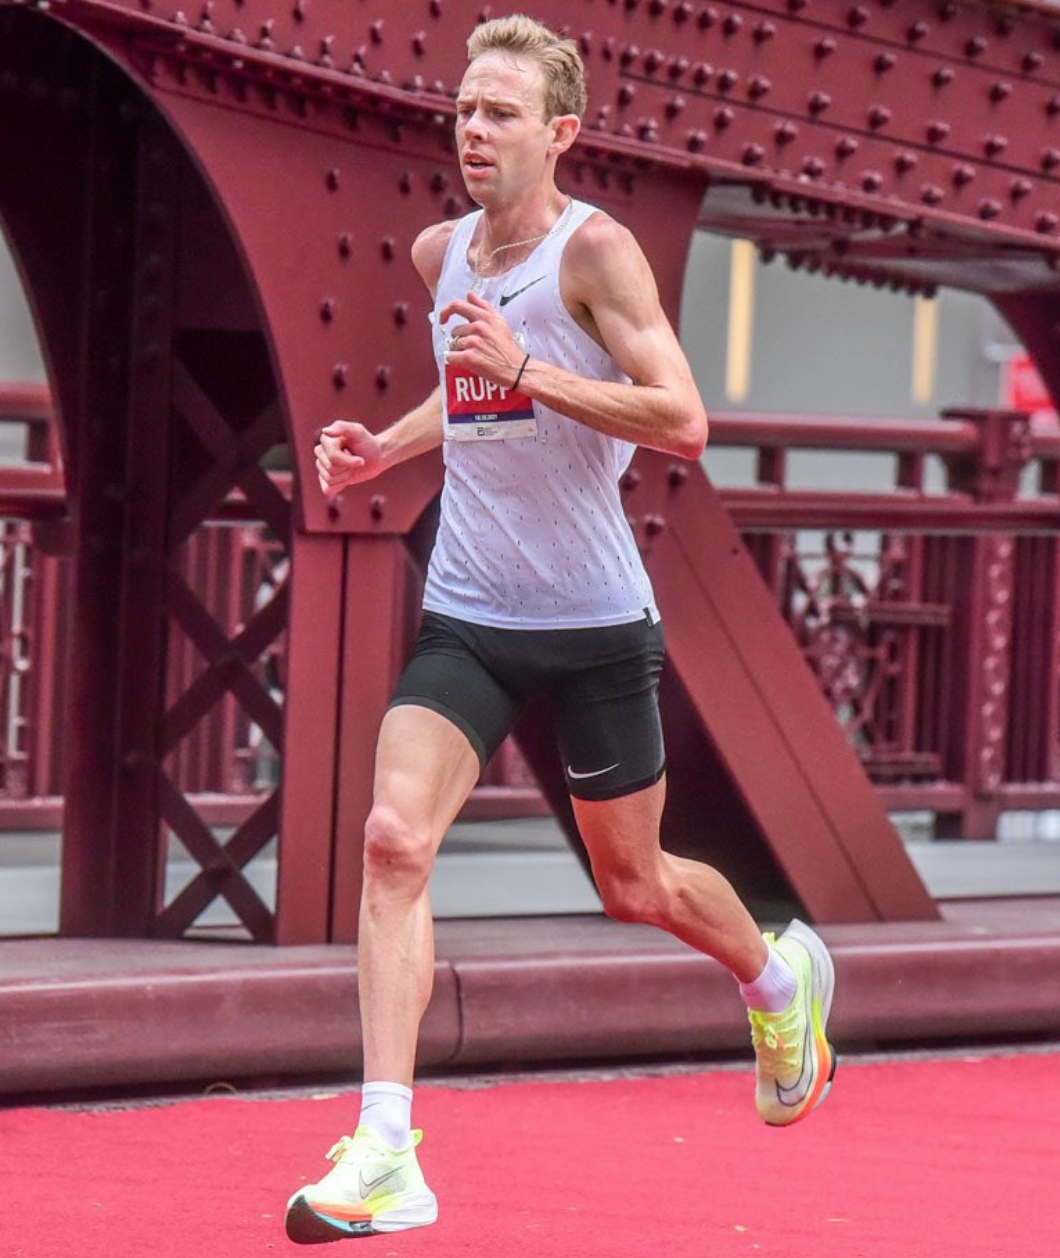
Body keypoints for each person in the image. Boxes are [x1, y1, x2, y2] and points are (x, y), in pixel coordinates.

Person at [284, 14, 836, 1244]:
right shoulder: (442, 253)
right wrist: (388, 446)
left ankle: (776, 976)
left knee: (635, 884)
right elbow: (467, 389)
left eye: (500, 114)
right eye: (464, 110)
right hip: (471, 611)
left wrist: (532, 369)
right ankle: (386, 1147)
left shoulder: (596, 253)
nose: (473, 132)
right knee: (391, 841)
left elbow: (681, 419)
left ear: (561, 133)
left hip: (593, 621)